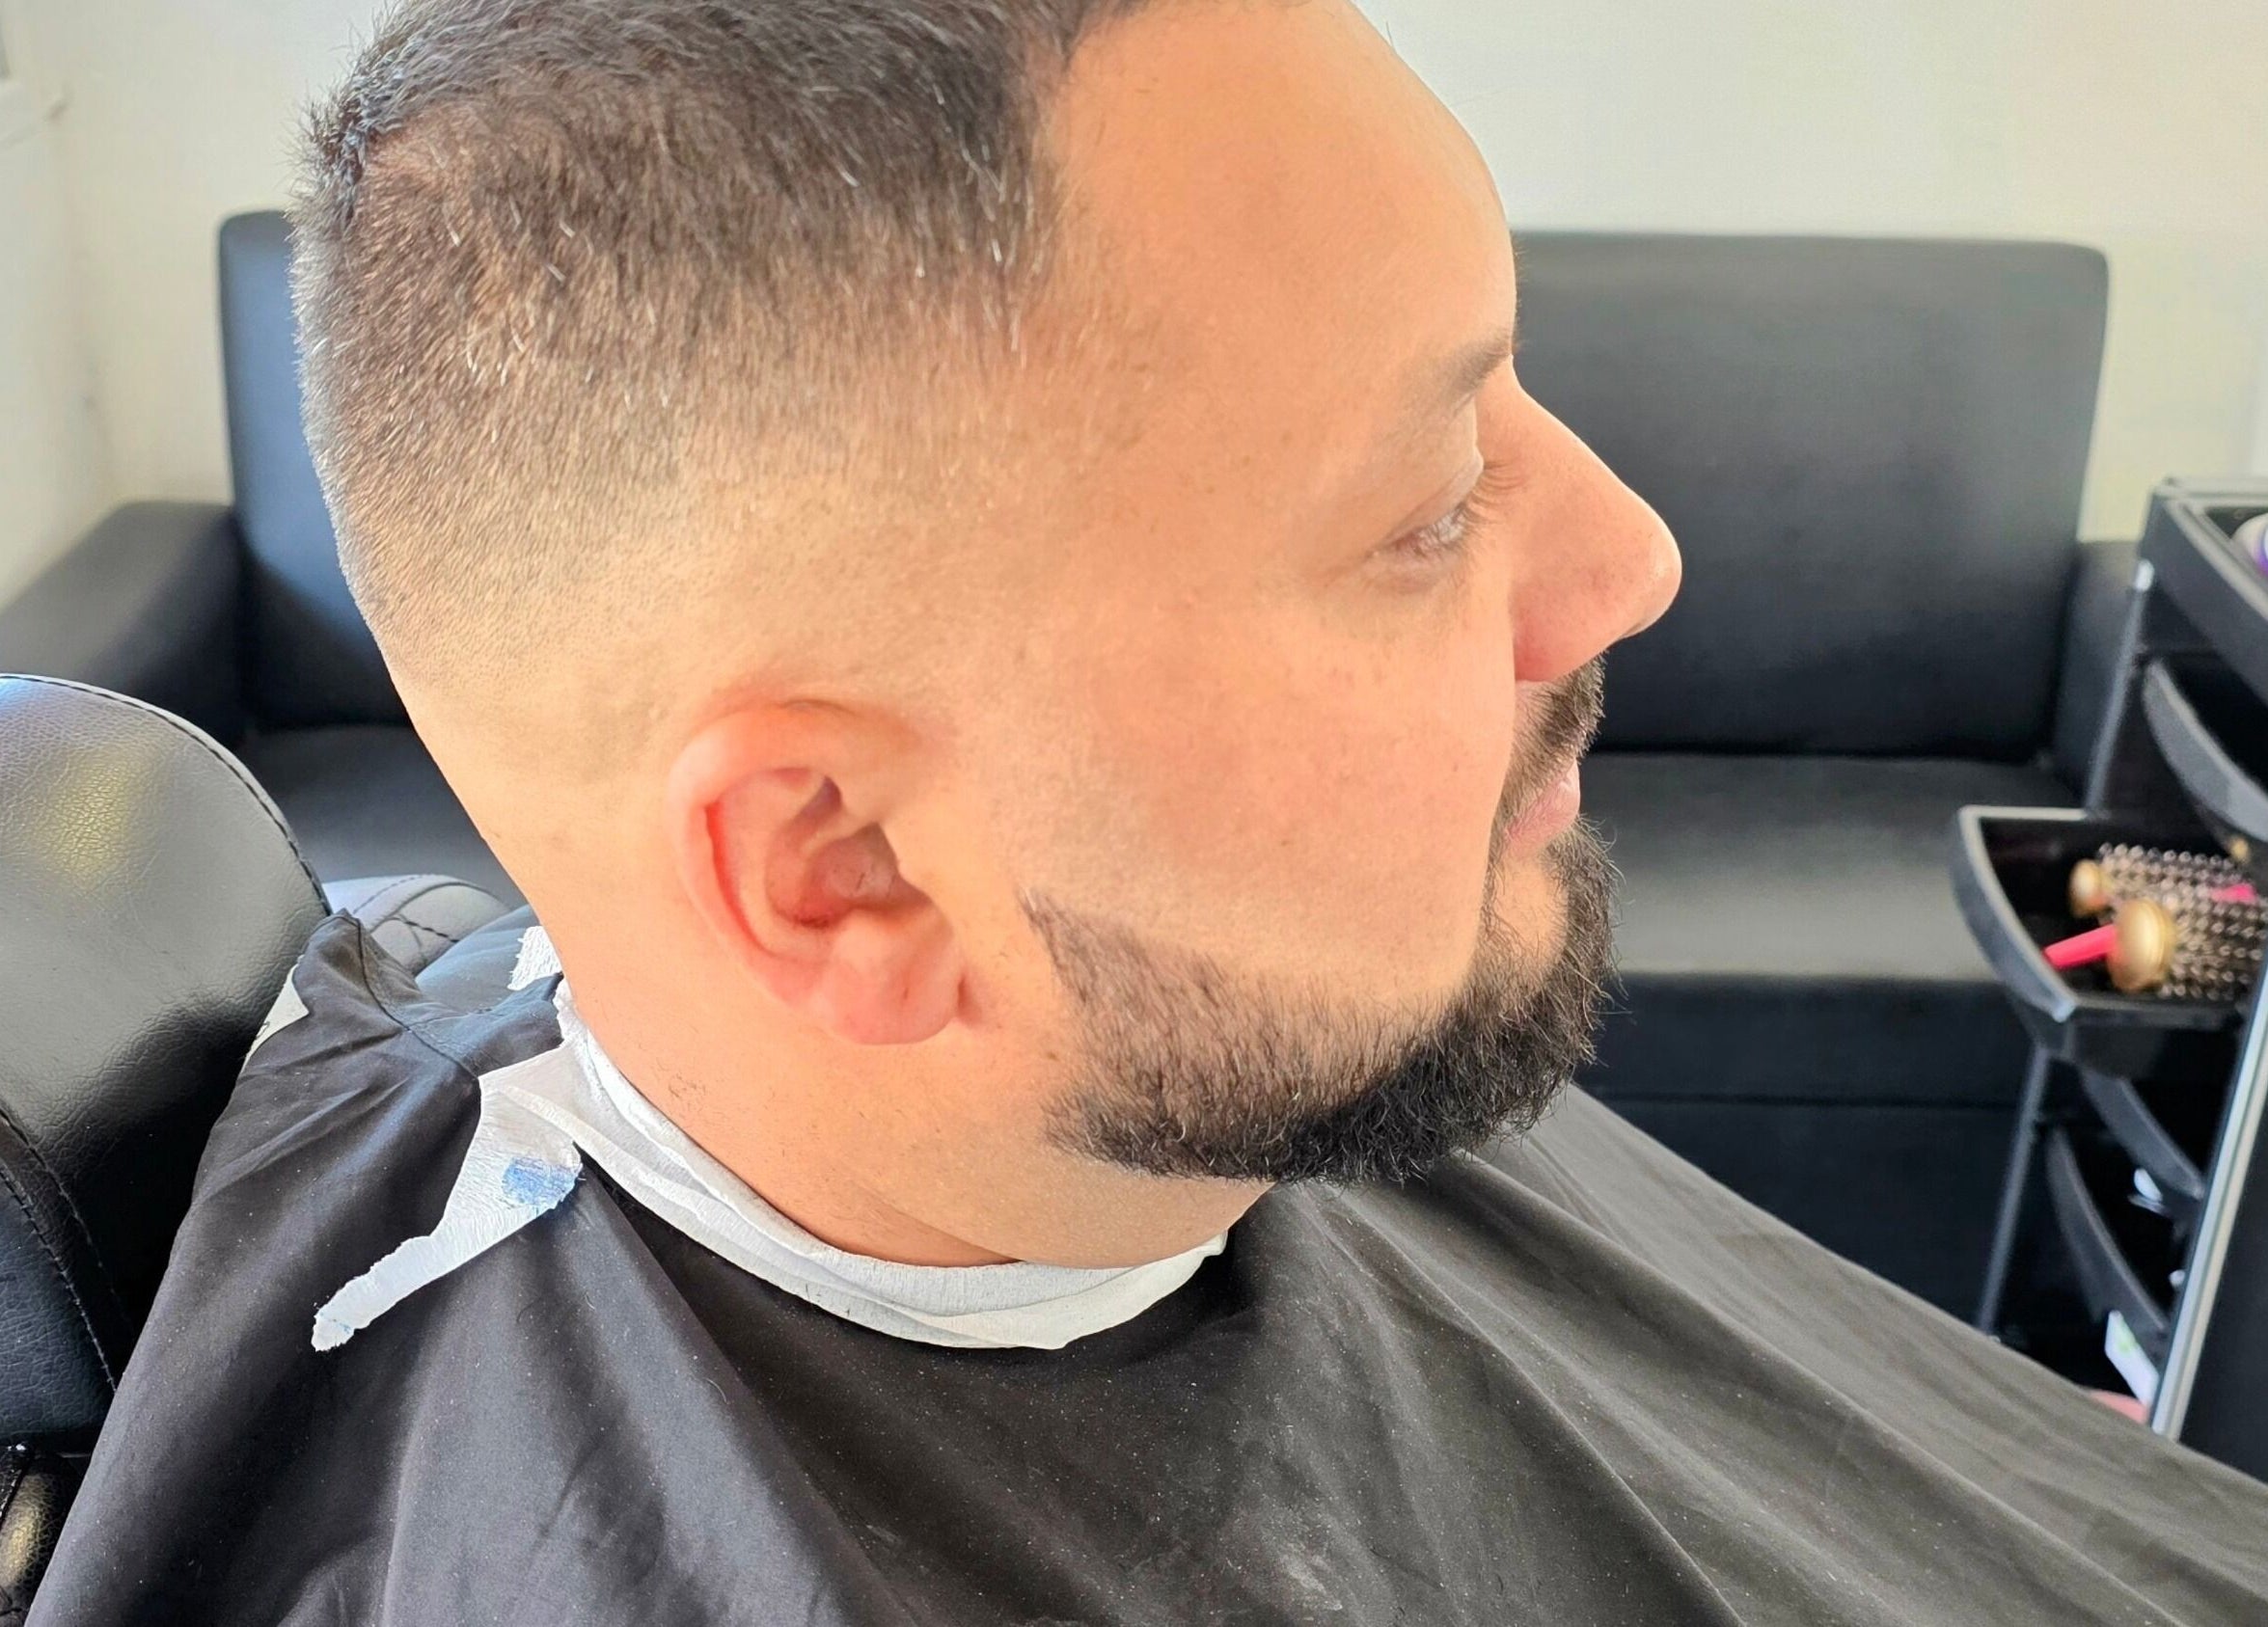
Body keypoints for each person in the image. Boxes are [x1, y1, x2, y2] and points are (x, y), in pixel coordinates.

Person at [29, 1, 2268, 1622]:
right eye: (1430, 505)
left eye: (1510, 384)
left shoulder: (1222, 1031)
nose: (1630, 561)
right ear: (845, 871)